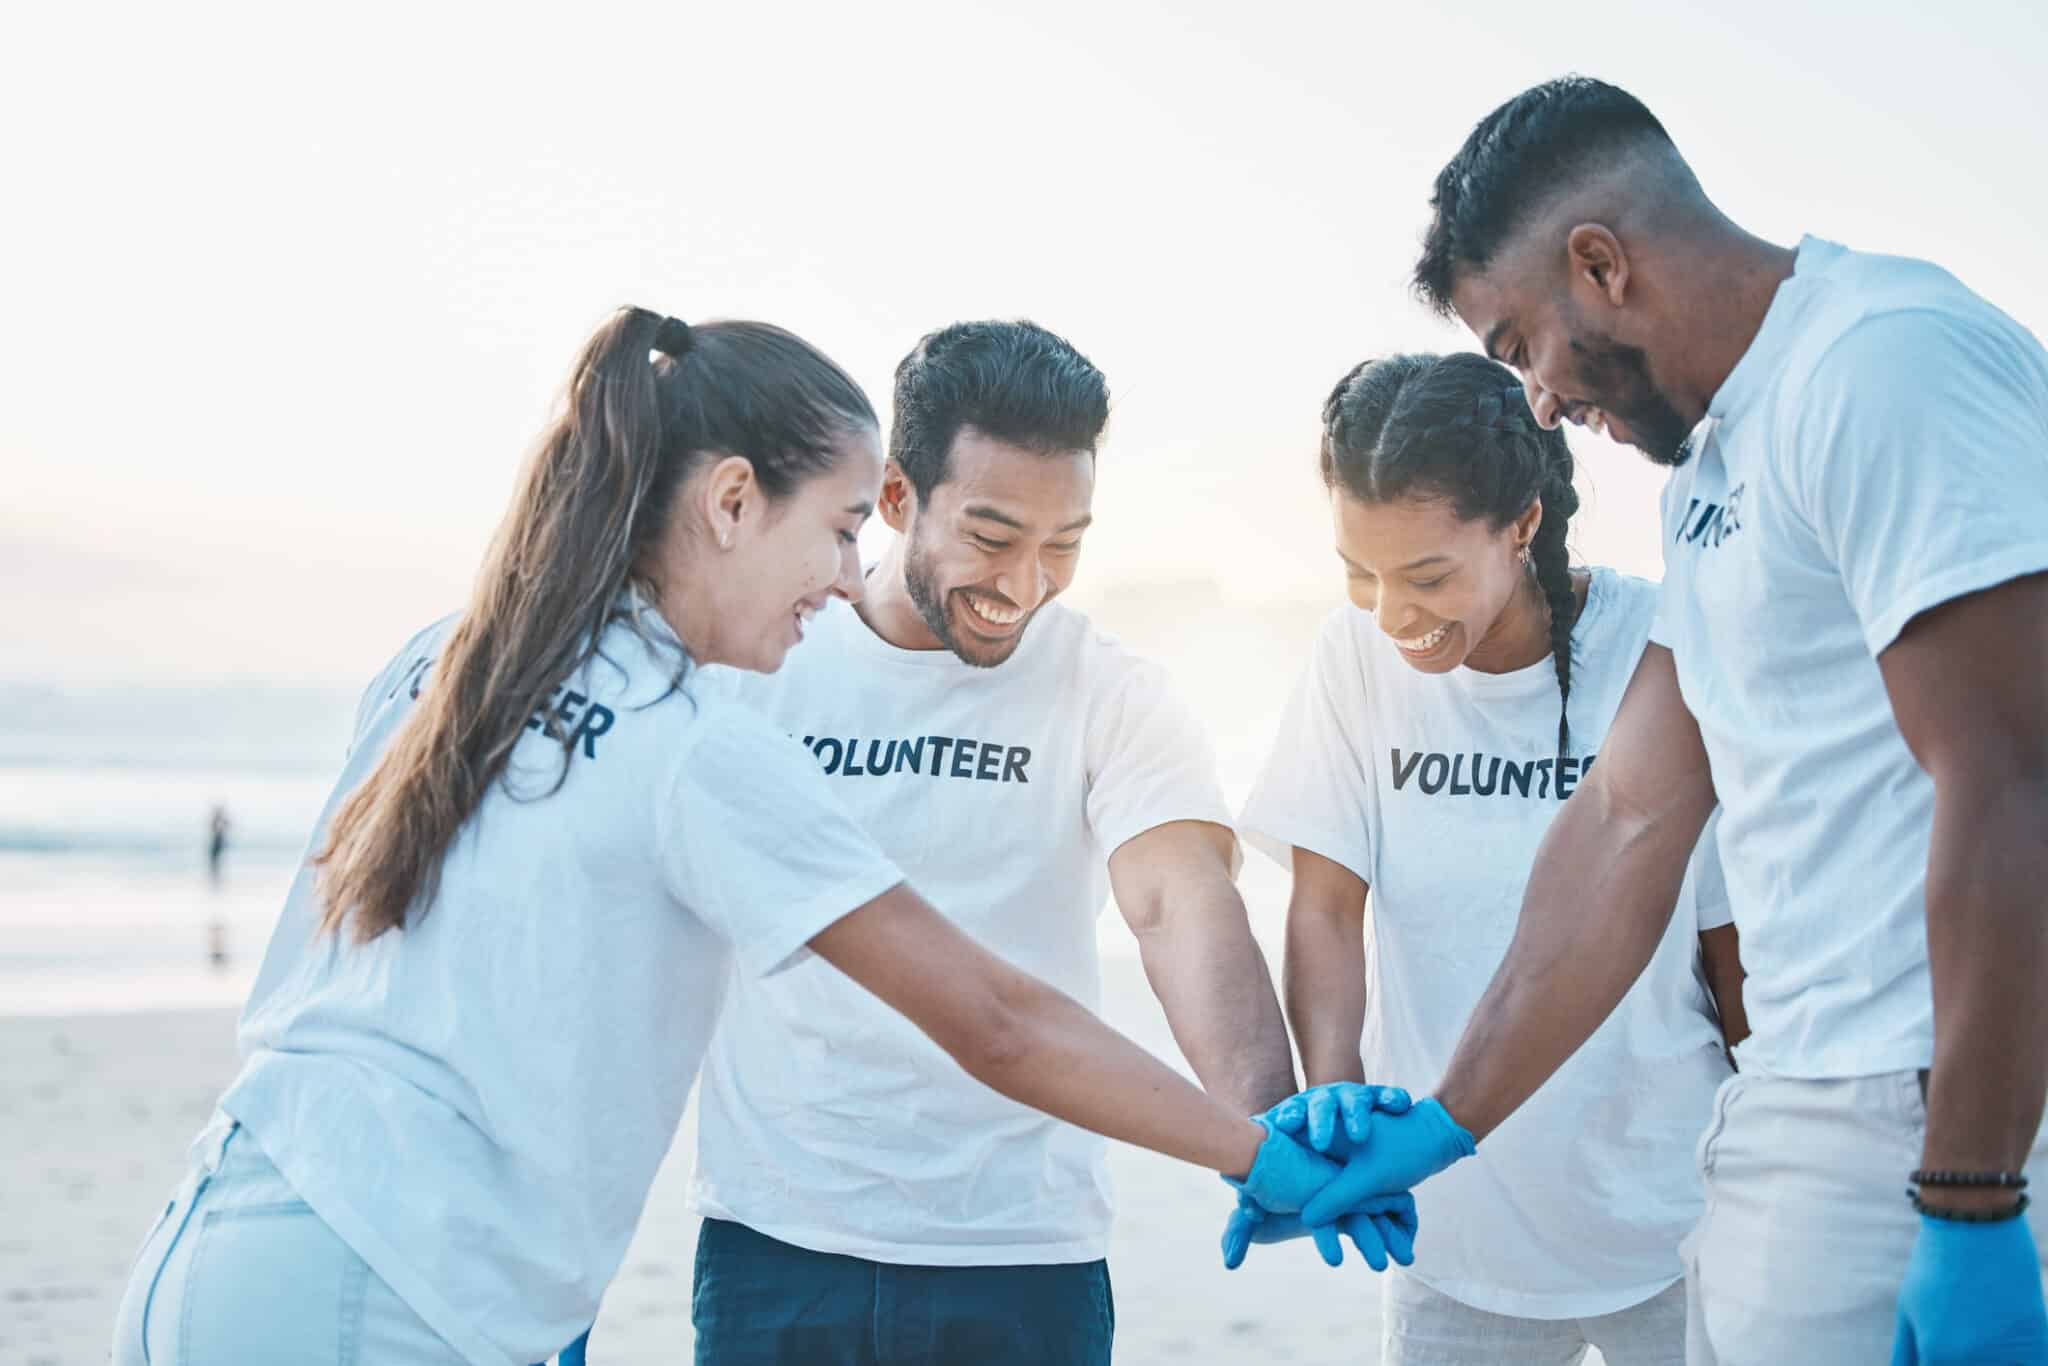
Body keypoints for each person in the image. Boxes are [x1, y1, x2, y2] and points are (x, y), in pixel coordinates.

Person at [109, 307, 1376, 1366]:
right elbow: (994, 1019)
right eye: (835, 530)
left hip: (224, 1234)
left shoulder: (457, 654)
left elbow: (469, 987)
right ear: (732, 502)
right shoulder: (697, 727)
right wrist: (1257, 1154)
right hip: (398, 1287)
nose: (836, 574)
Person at [1276, 77, 2048, 1365]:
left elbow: (2014, 769)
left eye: (1519, 342)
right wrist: (1441, 1123)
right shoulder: (1716, 468)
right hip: (1795, 1118)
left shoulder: (1880, 360)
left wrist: (1971, 1196)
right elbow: (1627, 816)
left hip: (1936, 1113)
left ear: (1599, 263)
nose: (1530, 401)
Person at [686, 319, 1310, 1366]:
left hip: (1022, 1259)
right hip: (775, 1247)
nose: (1023, 581)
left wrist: (1265, 1132)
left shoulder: (1108, 687)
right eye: (990, 536)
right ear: (894, 498)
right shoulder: (764, 657)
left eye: (1062, 544)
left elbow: (1176, 905)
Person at [1227, 352, 1745, 1364]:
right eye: (1358, 572)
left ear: (1521, 526)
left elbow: (1728, 938)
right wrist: (1334, 1104)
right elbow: (1326, 905)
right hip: (1450, 1242)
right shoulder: (1351, 660)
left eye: (1425, 576)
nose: (1390, 613)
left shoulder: (1658, 643)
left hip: (1676, 1230)